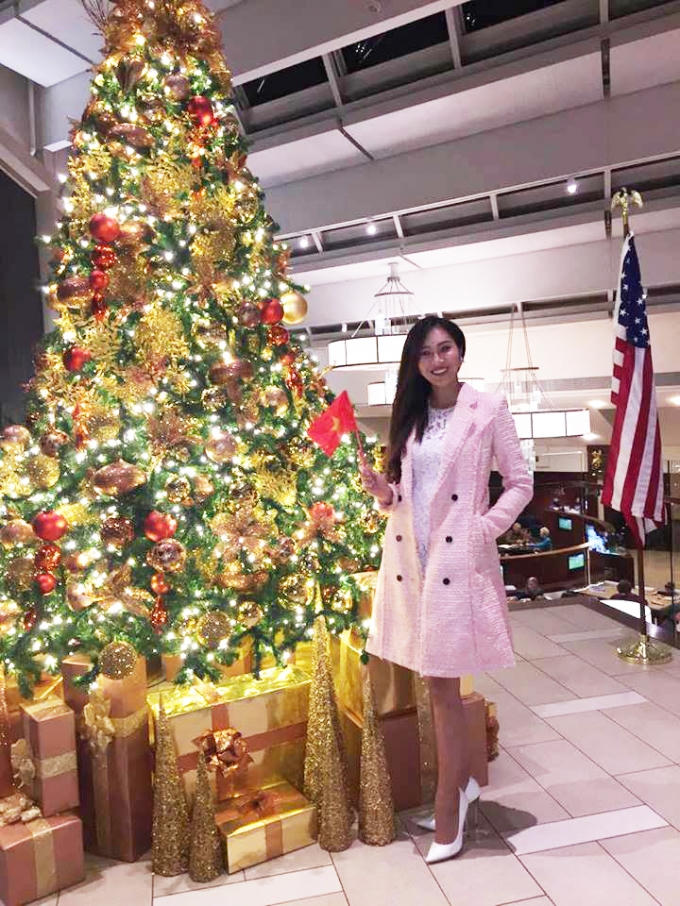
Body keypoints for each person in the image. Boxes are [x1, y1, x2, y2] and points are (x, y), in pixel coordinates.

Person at [359, 315, 532, 864]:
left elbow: (520, 482)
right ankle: (461, 785)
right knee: (435, 683)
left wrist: (485, 527)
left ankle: (449, 806)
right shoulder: (412, 415)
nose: (437, 361)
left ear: (460, 352)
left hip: (457, 559)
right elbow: (408, 493)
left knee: (442, 688)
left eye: (445, 349)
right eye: (426, 353)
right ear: (415, 364)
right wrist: (383, 492)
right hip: (412, 559)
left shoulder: (487, 409)